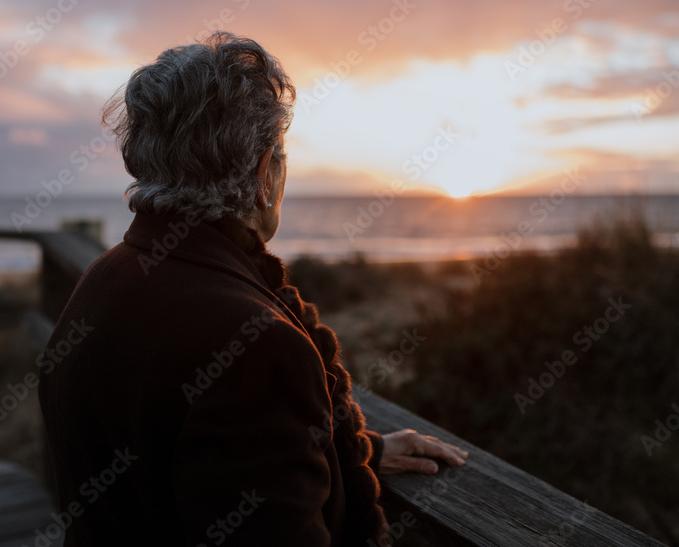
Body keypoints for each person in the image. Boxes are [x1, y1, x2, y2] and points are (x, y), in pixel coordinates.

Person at [38, 32, 468, 546]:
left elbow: (178, 453)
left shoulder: (103, 281)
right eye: (281, 161)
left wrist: (355, 451)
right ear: (266, 173)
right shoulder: (256, 346)